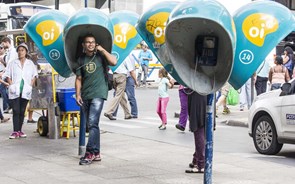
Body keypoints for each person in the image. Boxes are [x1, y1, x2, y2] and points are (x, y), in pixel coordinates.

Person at [75, 34, 117, 165]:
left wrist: (102, 50)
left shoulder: (100, 56)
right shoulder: (81, 60)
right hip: (86, 94)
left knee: (92, 123)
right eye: (87, 42)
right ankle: (97, 152)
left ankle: (89, 153)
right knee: (92, 125)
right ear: (83, 45)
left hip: (99, 93)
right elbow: (78, 79)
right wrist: (77, 94)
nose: (90, 44)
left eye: (93, 42)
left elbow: (114, 62)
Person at [4, 43, 38, 139]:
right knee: (16, 110)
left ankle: (20, 130)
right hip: (15, 90)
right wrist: (11, 85)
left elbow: (34, 75)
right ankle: (15, 131)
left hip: (26, 90)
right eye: (19, 50)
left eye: (22, 50)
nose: (20, 52)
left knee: (22, 110)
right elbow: (7, 75)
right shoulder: (12, 63)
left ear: (26, 52)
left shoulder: (30, 63)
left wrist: (31, 85)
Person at [185, 90, 206, 173]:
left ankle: (200, 165)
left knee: (199, 133)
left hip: (198, 99)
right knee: (203, 133)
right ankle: (196, 160)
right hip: (205, 97)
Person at [27, 53, 40, 123]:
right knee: (32, 102)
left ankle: (29, 117)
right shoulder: (32, 65)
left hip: (34, 86)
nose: (37, 58)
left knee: (32, 102)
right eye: (36, 56)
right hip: (33, 86)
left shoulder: (34, 65)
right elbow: (34, 76)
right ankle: (29, 118)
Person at [0, 44, 10, 113]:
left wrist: (2, 61)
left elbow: (7, 65)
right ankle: (7, 106)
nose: (0, 50)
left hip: (3, 74)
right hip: (1, 74)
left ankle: (6, 106)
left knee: (3, 90)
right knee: (3, 91)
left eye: (1, 48)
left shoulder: (5, 56)